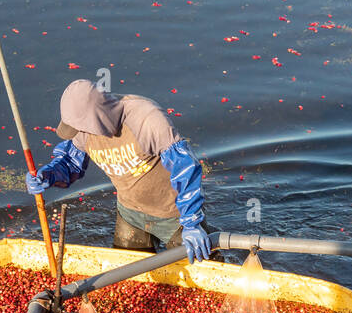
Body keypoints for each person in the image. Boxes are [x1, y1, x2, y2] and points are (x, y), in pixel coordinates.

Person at [25, 79, 213, 263]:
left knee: (203, 269)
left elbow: (185, 168)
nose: (80, 133)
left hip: (173, 215)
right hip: (130, 214)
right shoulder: (82, 131)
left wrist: (191, 222)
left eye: (82, 128)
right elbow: (70, 163)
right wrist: (48, 175)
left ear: (97, 120)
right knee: (129, 276)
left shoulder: (146, 119)